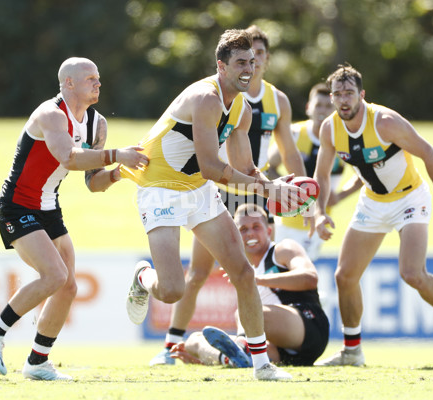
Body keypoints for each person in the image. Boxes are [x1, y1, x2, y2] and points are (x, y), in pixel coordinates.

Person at [122, 29, 302, 380]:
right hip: (160, 188)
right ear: (221, 66)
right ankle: (144, 277)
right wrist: (268, 191)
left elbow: (247, 169)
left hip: (198, 190)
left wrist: (275, 185)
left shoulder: (243, 109)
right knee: (173, 289)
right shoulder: (206, 98)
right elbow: (212, 167)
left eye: (252, 62)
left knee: (244, 273)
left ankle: (262, 366)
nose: (248, 69)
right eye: (239, 63)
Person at [0, 57, 149, 380]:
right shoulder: (50, 114)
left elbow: (93, 182)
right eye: (90, 78)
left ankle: (37, 362)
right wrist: (117, 155)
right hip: (17, 205)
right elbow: (69, 156)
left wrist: (118, 173)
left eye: (98, 78)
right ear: (69, 83)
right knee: (54, 274)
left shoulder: (98, 124)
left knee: (67, 286)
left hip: (48, 207)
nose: (98, 83)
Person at [310, 64, 433, 366]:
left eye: (349, 93)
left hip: (410, 197)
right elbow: (321, 176)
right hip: (373, 203)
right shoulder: (330, 128)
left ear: (362, 95)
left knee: (412, 273)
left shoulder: (384, 121)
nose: (343, 100)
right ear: (332, 98)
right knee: (344, 276)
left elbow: (429, 153)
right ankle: (352, 352)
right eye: (337, 94)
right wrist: (319, 213)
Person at [169, 203, 330, 367]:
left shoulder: (282, 249)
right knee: (193, 341)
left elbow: (309, 277)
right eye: (243, 229)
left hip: (310, 328)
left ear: (268, 231)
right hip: (277, 349)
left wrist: (257, 279)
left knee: (247, 313)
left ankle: (241, 346)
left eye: (256, 227)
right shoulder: (243, 268)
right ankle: (227, 358)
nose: (250, 233)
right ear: (235, 236)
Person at [267, 82, 362, 260]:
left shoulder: (343, 138)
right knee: (279, 267)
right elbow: (267, 167)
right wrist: (289, 188)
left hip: (319, 220)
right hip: (286, 219)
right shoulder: (295, 134)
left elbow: (363, 176)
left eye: (328, 106)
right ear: (308, 107)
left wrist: (339, 196)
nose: (322, 110)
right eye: (318, 105)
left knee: (303, 271)